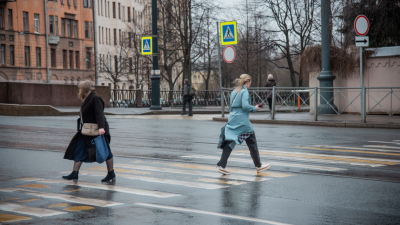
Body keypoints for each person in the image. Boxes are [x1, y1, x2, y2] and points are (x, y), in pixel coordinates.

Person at [63, 81, 116, 182]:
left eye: (81, 89)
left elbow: (99, 114)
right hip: (87, 130)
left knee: (105, 151)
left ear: (85, 89)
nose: (80, 91)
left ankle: (111, 173)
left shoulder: (95, 98)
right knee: (79, 149)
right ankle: (75, 173)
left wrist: (101, 128)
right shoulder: (87, 98)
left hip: (96, 130)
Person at [217, 74, 270, 175]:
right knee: (252, 142)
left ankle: (222, 166)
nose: (250, 84)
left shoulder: (234, 91)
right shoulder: (244, 91)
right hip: (242, 121)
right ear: (247, 82)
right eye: (250, 83)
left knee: (230, 141)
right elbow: (245, 106)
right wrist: (255, 108)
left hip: (233, 118)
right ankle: (258, 165)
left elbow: (232, 106)